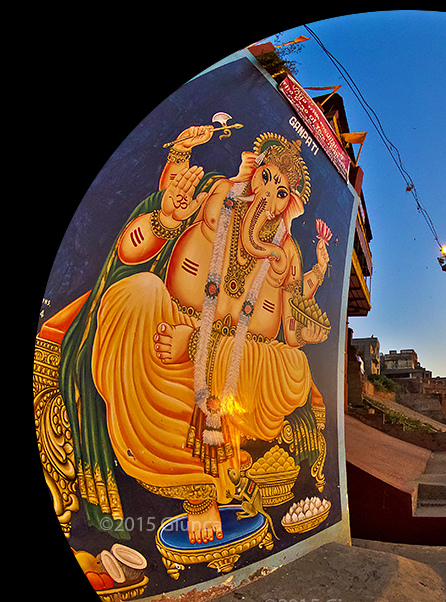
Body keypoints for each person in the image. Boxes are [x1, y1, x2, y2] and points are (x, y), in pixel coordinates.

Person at [61, 125, 332, 545]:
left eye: (282, 193)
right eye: (266, 178)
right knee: (136, 294)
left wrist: (309, 313)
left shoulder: (287, 253)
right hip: (170, 337)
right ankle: (194, 486)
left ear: (288, 206)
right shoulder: (217, 196)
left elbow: (292, 338)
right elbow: (130, 254)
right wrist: (167, 216)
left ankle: (222, 464)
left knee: (294, 367)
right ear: (253, 170)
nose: (269, 194)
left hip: (237, 362)